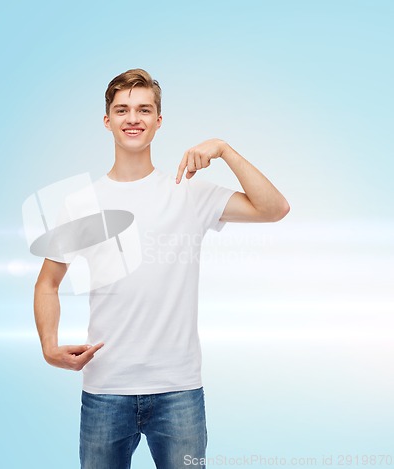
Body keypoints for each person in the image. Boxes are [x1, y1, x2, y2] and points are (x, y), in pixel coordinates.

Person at [33, 69, 290, 469]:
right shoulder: (81, 203)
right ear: (107, 121)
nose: (132, 118)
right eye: (122, 110)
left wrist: (224, 149)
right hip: (105, 388)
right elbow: (48, 282)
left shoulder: (188, 191)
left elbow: (275, 209)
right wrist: (49, 347)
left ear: (158, 120)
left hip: (178, 390)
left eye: (143, 109)